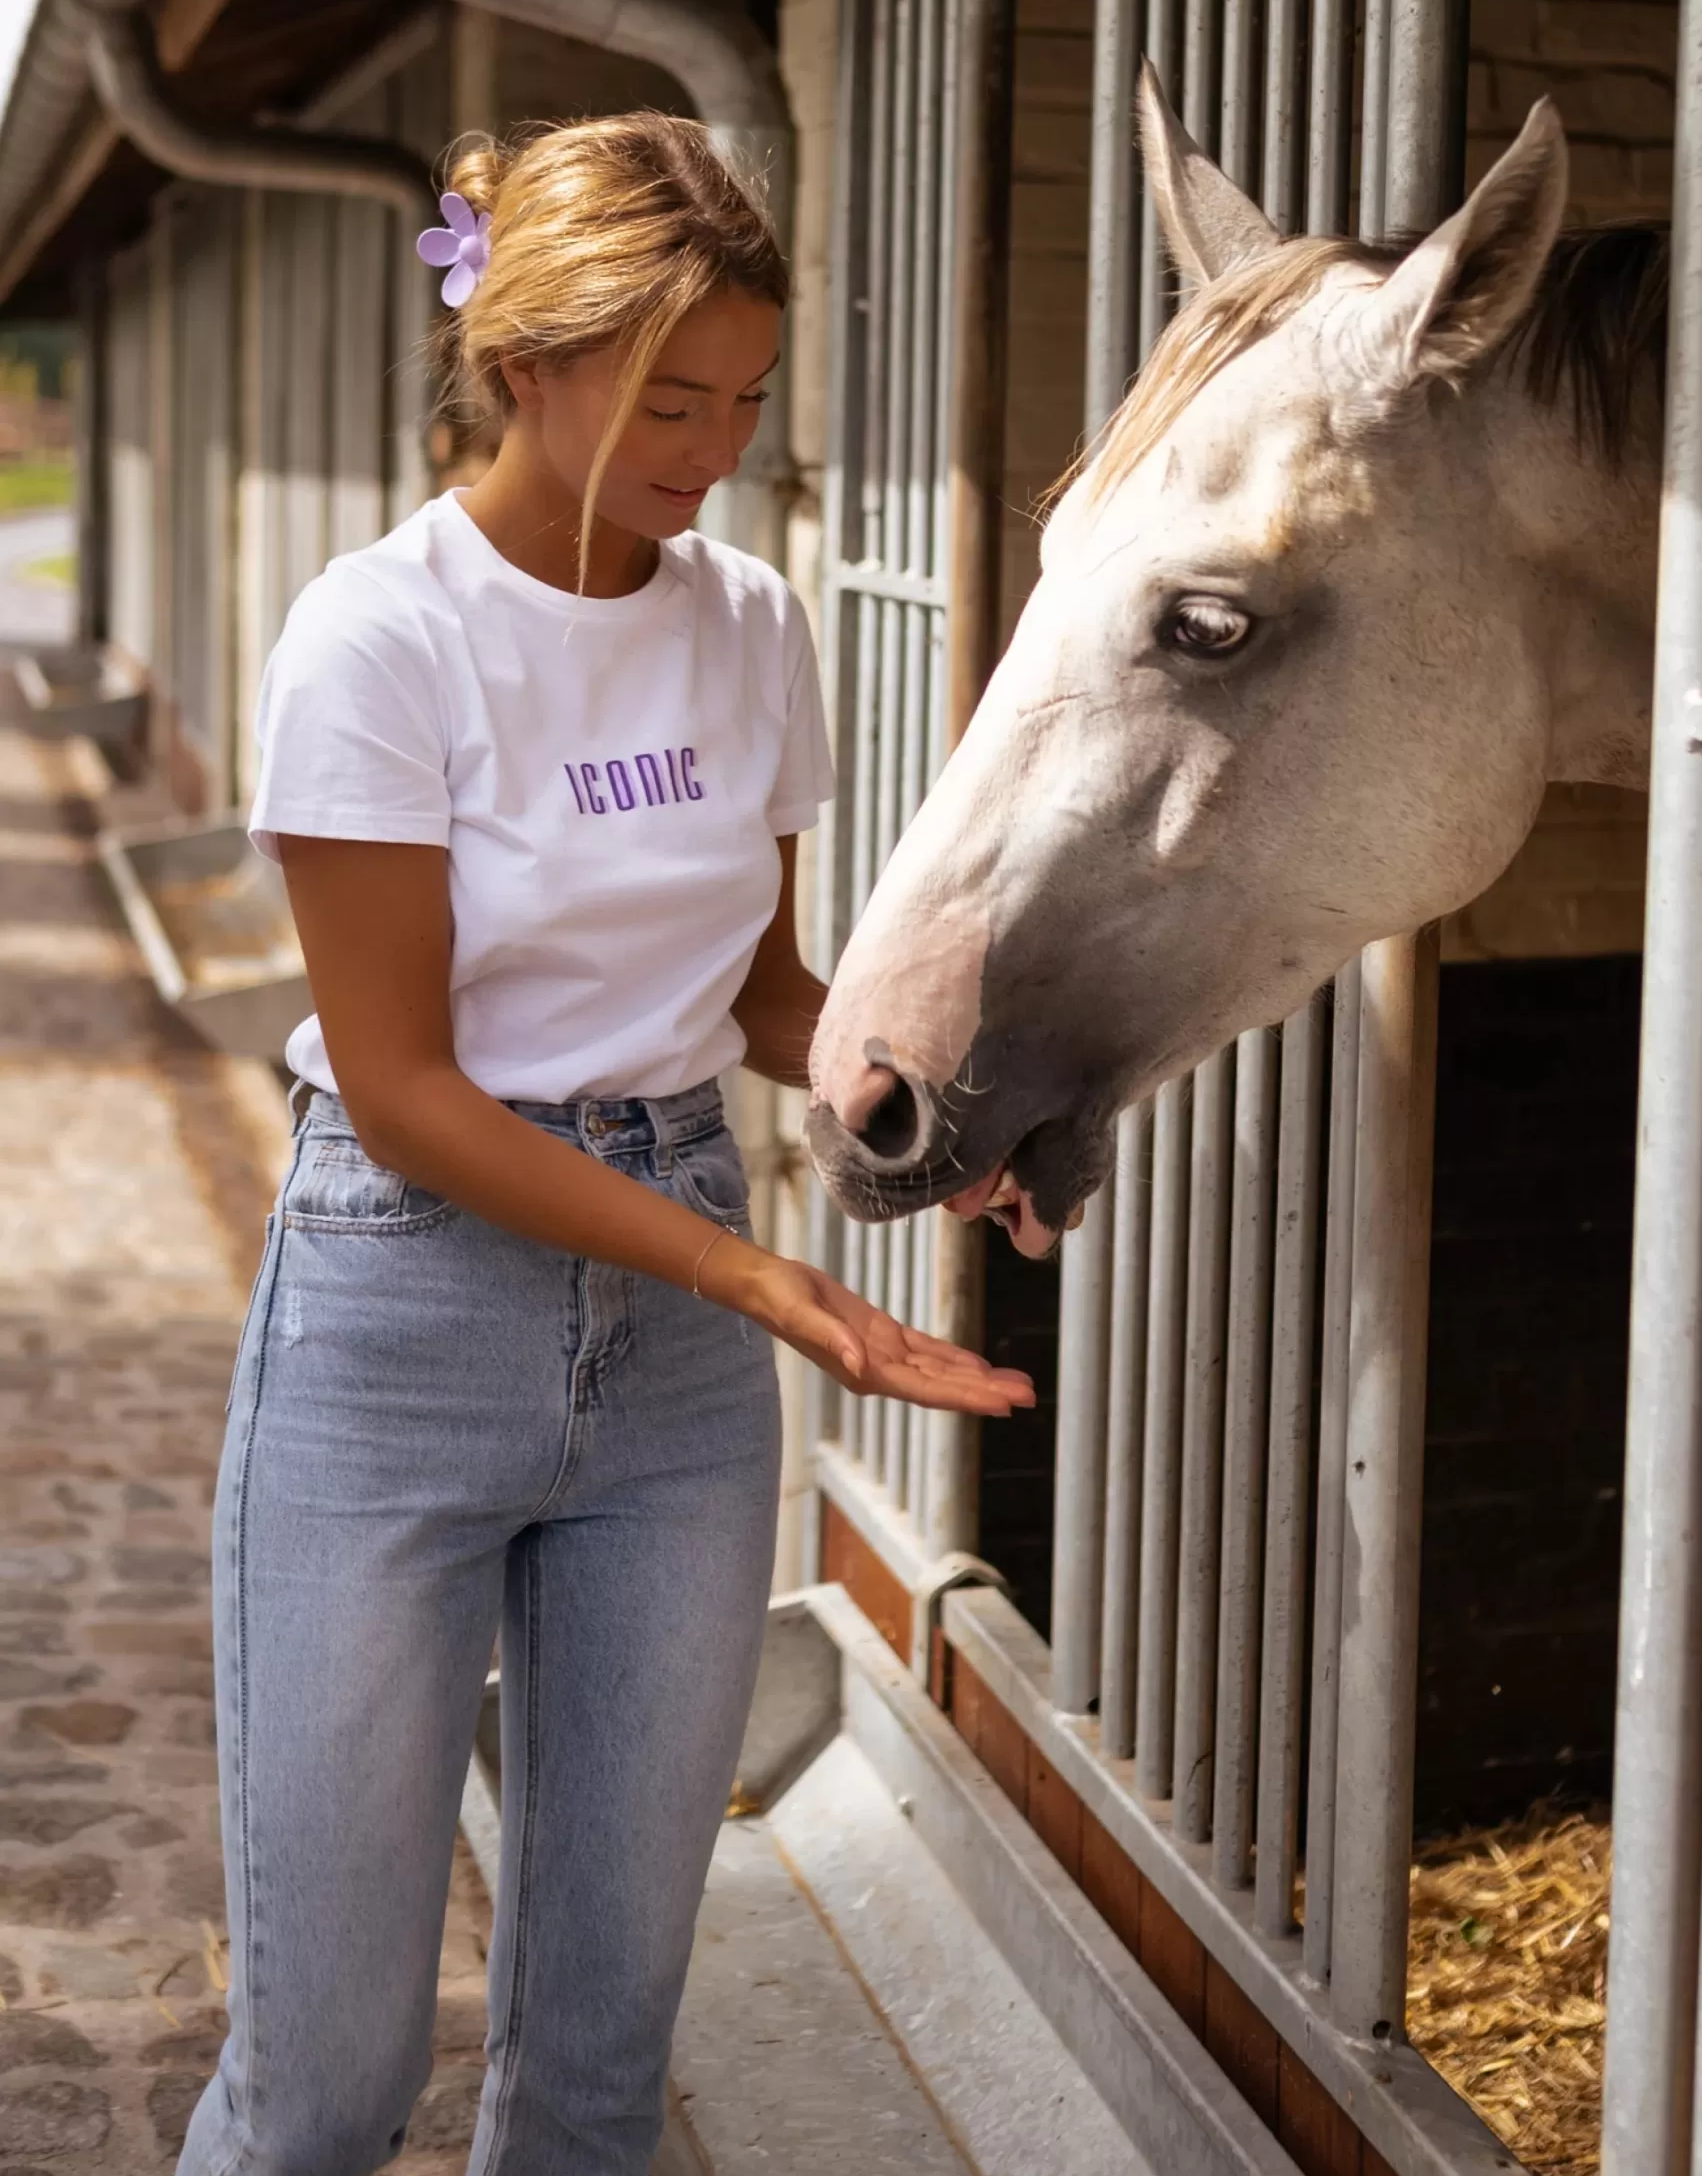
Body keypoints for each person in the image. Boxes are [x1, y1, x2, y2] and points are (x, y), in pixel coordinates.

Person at [178, 113, 1033, 2176]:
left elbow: (757, 988)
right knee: (327, 2086)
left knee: (588, 2081)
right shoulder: (379, 636)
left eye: (744, 399)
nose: (715, 444)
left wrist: (923, 1101)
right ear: (525, 361)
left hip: (668, 1374)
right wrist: (752, 1275)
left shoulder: (749, 624)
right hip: (404, 1313)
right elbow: (404, 1088)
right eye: (670, 397)